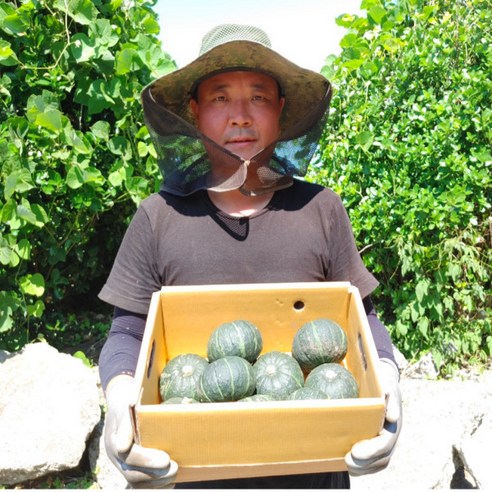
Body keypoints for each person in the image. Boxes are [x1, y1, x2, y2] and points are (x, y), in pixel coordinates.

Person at [98, 24, 402, 489]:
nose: (240, 116)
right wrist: (120, 399)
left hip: (312, 466)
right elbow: (127, 332)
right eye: (220, 98)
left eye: (258, 97)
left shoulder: (321, 208)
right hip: (192, 466)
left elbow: (363, 320)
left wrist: (387, 382)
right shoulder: (158, 217)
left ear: (280, 111)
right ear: (194, 113)